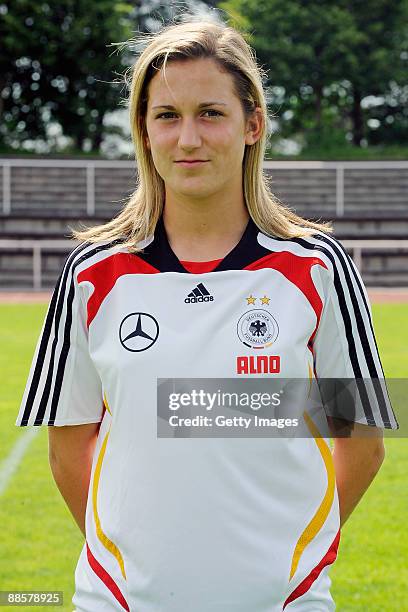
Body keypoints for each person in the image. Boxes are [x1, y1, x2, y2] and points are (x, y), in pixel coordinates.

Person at [16, 17, 398, 612]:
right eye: (167, 116)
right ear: (143, 132)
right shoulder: (93, 275)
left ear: (253, 124)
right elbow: (68, 451)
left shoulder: (316, 270)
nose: (187, 138)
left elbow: (363, 444)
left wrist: (287, 561)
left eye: (210, 113)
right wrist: (134, 571)